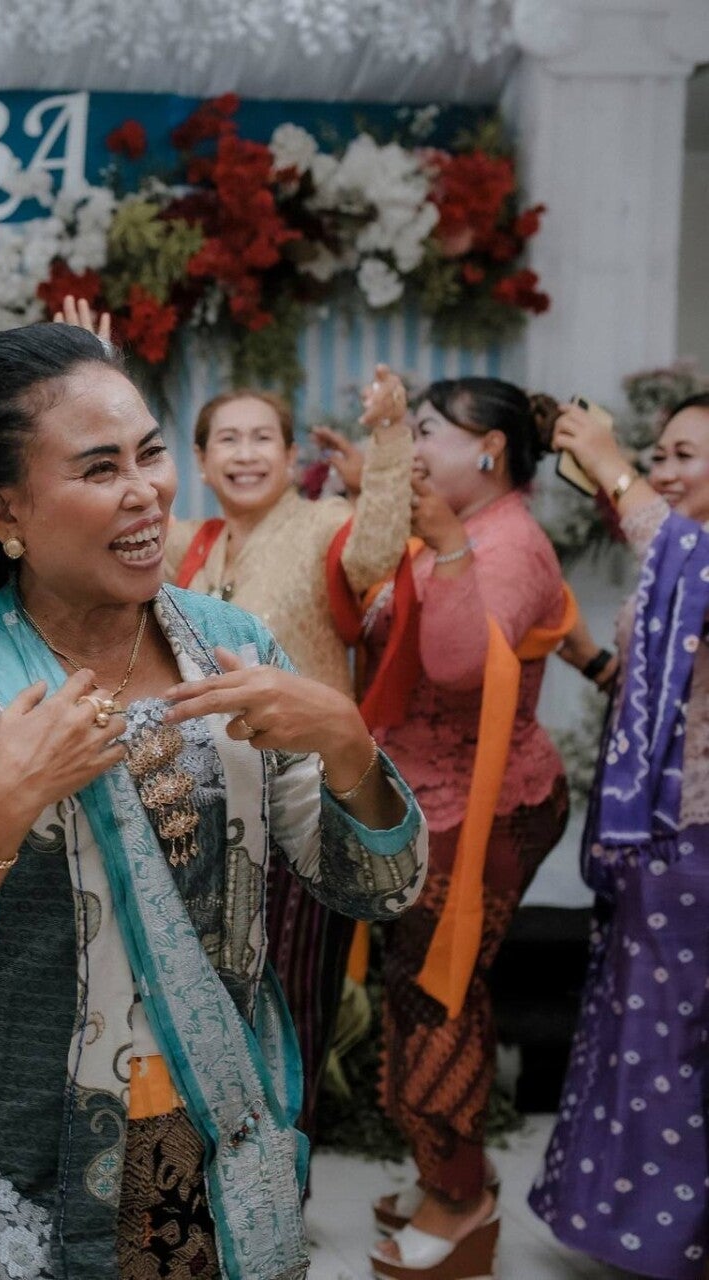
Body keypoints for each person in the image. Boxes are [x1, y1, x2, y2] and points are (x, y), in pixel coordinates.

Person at [0, 321, 426, 1280]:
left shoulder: (232, 651)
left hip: (210, 1142)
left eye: (149, 453)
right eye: (99, 468)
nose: (145, 490)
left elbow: (379, 889)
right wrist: (0, 809)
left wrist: (347, 745)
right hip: (18, 1162)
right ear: (4, 508)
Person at [164, 370, 414, 1140]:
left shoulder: (322, 521)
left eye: (261, 438)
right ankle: (223, 1165)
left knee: (294, 1001)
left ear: (288, 455)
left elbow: (376, 552)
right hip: (206, 806)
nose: (245, 454)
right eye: (227, 440)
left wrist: (389, 436)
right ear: (200, 461)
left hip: (300, 802)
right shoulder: (194, 541)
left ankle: (283, 1170)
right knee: (210, 998)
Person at [364, 377, 574, 1279]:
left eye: (426, 430)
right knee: (418, 988)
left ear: (487, 448)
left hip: (482, 807)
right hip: (430, 799)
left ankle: (459, 1204)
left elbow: (455, 667)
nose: (413, 447)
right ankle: (448, 1170)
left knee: (437, 994)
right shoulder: (461, 527)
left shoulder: (509, 544)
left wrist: (447, 549)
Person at [528, 393, 709, 1280]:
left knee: (674, 1042)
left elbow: (683, 562)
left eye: (686, 455)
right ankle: (644, 1235)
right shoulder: (682, 552)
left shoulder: (691, 553)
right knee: (641, 1030)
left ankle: (674, 1242)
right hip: (661, 842)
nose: (664, 471)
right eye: (658, 454)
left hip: (695, 837)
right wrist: (587, 657)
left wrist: (609, 462)